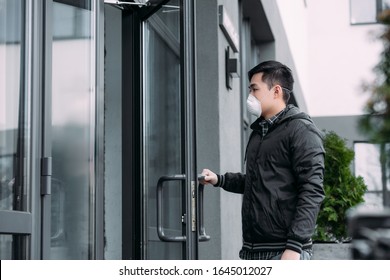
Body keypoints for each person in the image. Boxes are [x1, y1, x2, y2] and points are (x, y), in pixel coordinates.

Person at [200, 60, 325, 260]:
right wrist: (219, 179)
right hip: (253, 250)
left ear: (276, 91)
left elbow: (312, 190)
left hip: (284, 251)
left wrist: (294, 247)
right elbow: (257, 181)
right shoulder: (260, 132)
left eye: (254, 89)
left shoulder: (301, 130)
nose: (250, 96)